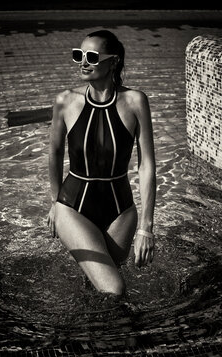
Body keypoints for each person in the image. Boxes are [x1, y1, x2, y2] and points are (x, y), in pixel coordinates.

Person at [47, 30, 156, 297]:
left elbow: (147, 166)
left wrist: (146, 226)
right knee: (115, 289)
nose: (83, 62)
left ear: (114, 61)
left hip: (120, 211)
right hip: (73, 207)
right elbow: (55, 153)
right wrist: (54, 203)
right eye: (79, 55)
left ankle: (89, 336)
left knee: (98, 289)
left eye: (92, 56)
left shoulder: (135, 101)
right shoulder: (65, 101)